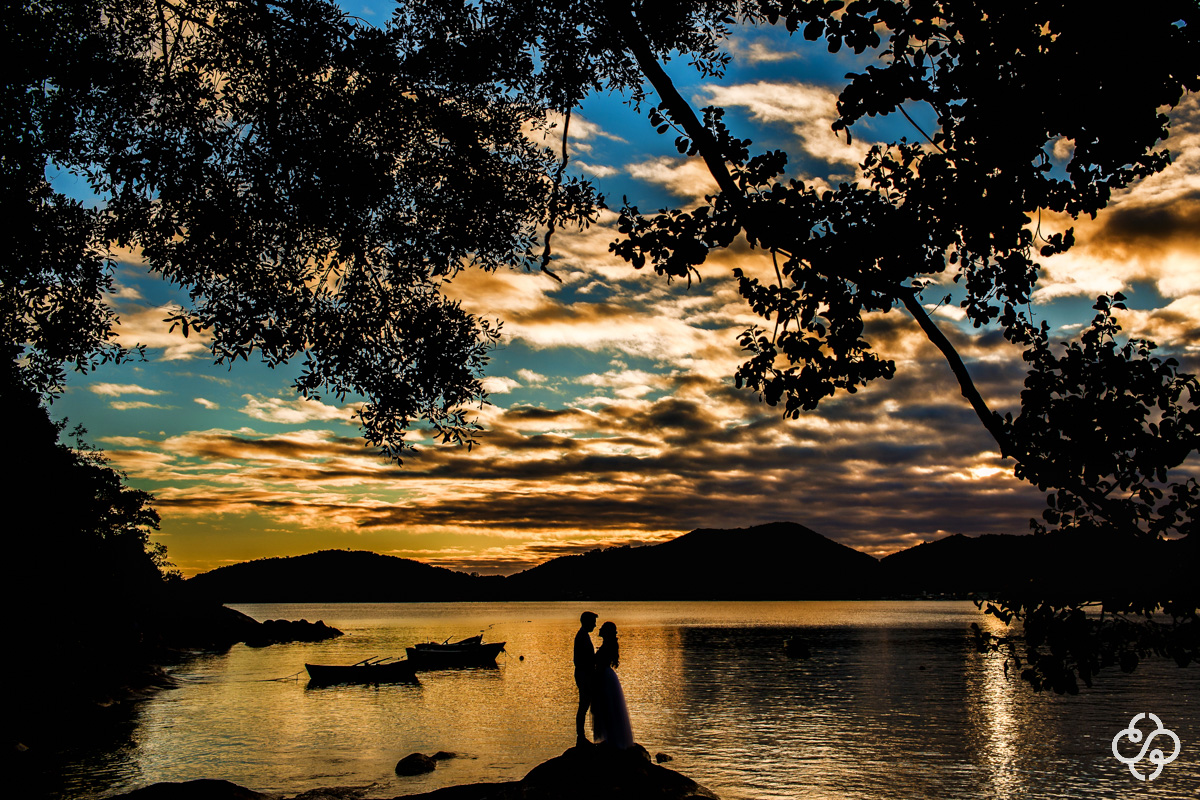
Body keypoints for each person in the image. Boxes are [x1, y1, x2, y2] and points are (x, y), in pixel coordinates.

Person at [591, 621, 634, 749]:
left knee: (608, 707)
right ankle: (612, 738)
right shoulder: (607, 645)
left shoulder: (607, 646)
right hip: (607, 676)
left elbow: (600, 663)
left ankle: (613, 739)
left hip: (604, 677)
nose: (599, 629)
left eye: (602, 628)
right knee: (609, 708)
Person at [574, 611, 598, 746]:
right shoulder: (582, 636)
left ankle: (581, 736)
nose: (595, 625)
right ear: (587, 622)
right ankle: (580, 736)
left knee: (584, 704)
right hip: (584, 675)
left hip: (584, 674)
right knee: (583, 705)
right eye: (593, 622)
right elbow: (581, 659)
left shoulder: (584, 635)